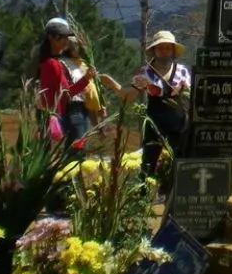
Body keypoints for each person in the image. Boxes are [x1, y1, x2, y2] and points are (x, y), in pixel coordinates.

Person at [109, 31, 190, 193]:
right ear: (154, 50)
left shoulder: (182, 71)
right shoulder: (144, 72)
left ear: (173, 50)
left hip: (178, 122)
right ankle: (143, 198)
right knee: (149, 161)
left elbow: (188, 94)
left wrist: (183, 91)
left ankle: (175, 197)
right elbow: (130, 96)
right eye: (161, 48)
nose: (165, 52)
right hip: (154, 121)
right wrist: (114, 87)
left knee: (179, 160)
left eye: (168, 48)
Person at [35, 18, 97, 147]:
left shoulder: (49, 61)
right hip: (54, 115)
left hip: (51, 114)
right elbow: (67, 94)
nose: (66, 41)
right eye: (62, 37)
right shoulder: (53, 64)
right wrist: (86, 79)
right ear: (51, 38)